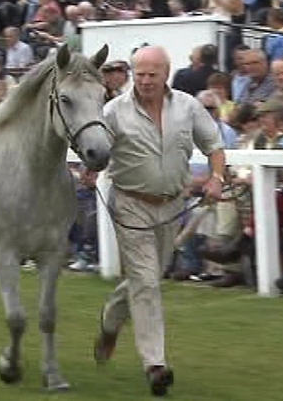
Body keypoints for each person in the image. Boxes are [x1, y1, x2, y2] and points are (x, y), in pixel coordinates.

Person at [94, 45, 226, 397]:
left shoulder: (188, 106)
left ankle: (110, 318)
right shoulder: (114, 111)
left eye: (153, 74)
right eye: (140, 74)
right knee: (147, 282)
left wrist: (217, 179)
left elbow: (214, 146)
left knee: (148, 278)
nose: (146, 81)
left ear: (166, 74)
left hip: (172, 205)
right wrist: (89, 171)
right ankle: (155, 364)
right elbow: (95, 148)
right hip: (130, 203)